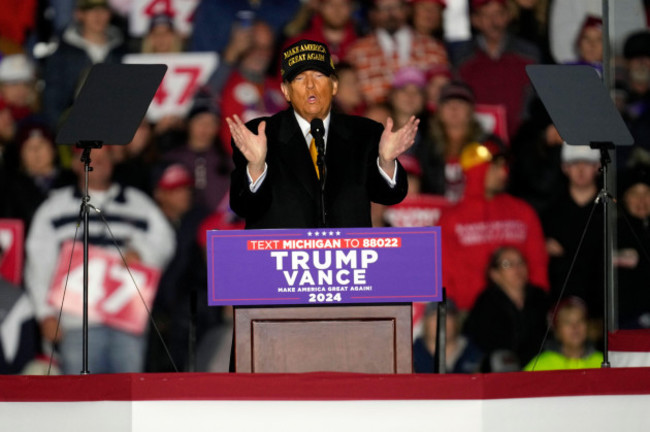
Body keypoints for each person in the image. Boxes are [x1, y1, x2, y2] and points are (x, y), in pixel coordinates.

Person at [227, 39, 417, 229]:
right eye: (300, 78)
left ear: (334, 86)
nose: (310, 86)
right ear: (286, 91)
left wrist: (386, 162)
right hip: (278, 257)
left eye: (318, 76)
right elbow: (243, 206)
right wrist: (256, 166)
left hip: (347, 256)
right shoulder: (259, 135)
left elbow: (389, 195)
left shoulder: (365, 134)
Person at [24, 146, 175, 374]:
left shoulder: (138, 203)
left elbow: (165, 241)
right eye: (93, 159)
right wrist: (44, 314)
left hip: (127, 318)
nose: (101, 163)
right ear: (76, 164)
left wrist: (142, 253)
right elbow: (39, 263)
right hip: (76, 322)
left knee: (127, 394)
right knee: (81, 395)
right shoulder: (54, 208)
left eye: (105, 158)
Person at [438, 141, 549, 311]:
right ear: (477, 170)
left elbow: (538, 263)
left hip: (520, 312)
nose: (503, 173)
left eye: (504, 167)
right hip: (468, 313)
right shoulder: (450, 219)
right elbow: (442, 273)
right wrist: (451, 310)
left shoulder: (522, 212)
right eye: (495, 167)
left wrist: (538, 304)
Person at [452, 0, 541, 139]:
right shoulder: (463, 58)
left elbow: (536, 101)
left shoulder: (528, 55)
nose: (494, 22)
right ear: (475, 20)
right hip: (473, 139)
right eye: (486, 16)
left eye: (498, 14)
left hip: (522, 140)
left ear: (508, 16)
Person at [463, 245, 550, 371]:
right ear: (494, 274)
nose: (517, 268)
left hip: (539, 368)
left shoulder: (540, 297)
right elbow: (478, 343)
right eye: (507, 264)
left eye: (520, 262)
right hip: (500, 371)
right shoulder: (486, 301)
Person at [345, 0, 449, 105]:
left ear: (407, 9)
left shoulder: (433, 48)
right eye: (384, 8)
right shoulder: (357, 51)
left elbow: (441, 93)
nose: (390, 13)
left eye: (396, 7)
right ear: (373, 13)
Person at [41, 0, 125, 129]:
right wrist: (64, 132)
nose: (98, 15)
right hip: (76, 129)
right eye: (91, 10)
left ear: (110, 13)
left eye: (102, 9)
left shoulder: (122, 50)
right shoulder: (62, 54)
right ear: (79, 14)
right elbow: (52, 100)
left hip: (116, 127)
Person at [541, 144, 603, 315]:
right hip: (562, 306)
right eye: (575, 163)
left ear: (598, 167)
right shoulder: (551, 213)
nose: (581, 170)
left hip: (602, 305)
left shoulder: (610, 212)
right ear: (565, 168)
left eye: (587, 163)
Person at [524, 296, 603, 371]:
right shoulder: (540, 365)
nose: (575, 327)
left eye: (580, 320)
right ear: (557, 330)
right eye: (567, 322)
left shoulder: (603, 362)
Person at [616, 163, 650, 329]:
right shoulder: (614, 230)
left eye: (647, 193)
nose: (641, 200)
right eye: (634, 193)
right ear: (624, 198)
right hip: (625, 319)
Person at [413, 299, 484, 373]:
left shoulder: (475, 355)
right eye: (434, 317)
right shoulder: (411, 357)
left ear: (456, 321)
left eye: (447, 317)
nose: (441, 323)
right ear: (426, 322)